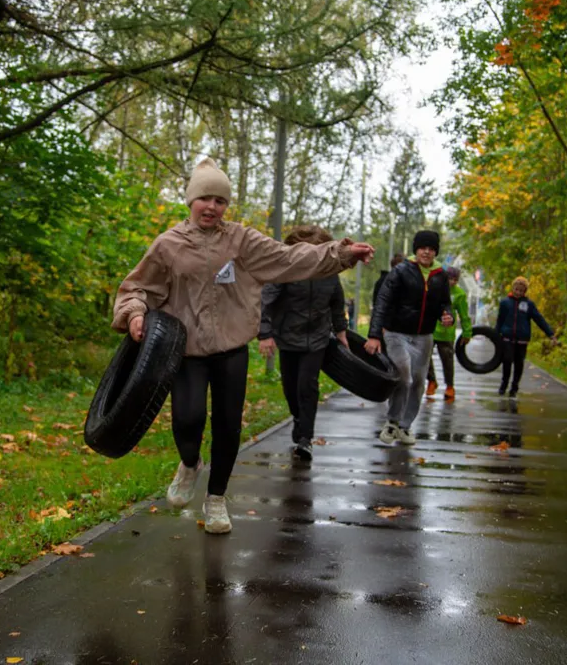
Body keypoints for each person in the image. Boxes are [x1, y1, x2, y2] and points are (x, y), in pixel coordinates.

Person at [112, 158, 374, 534]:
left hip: (232, 349)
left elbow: (290, 259)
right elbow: (136, 287)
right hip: (186, 350)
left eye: (220, 200)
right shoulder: (168, 245)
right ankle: (189, 463)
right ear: (190, 200)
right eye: (205, 198)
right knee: (187, 419)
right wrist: (135, 314)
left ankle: (217, 499)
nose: (212, 207)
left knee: (228, 426)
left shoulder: (241, 241)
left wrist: (341, 254)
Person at [258, 225, 349, 462]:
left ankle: (305, 438)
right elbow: (264, 302)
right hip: (287, 336)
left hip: (317, 337)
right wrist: (265, 334)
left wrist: (341, 331)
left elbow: (337, 303)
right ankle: (299, 420)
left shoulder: (330, 273)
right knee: (290, 388)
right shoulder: (284, 270)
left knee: (307, 386)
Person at [364, 230, 453, 446]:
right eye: (423, 248)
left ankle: (405, 427)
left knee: (419, 382)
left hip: (424, 336)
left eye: (431, 249)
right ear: (416, 249)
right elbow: (382, 302)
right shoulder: (401, 271)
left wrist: (446, 314)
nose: (427, 252)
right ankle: (392, 422)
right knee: (404, 375)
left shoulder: (440, 275)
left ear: (435, 252)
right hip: (396, 333)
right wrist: (374, 335)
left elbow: (444, 301)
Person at [495, 276, 557, 397]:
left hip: (522, 340)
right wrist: (495, 335)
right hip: (507, 338)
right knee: (507, 361)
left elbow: (539, 319)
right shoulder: (505, 302)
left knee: (519, 363)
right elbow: (500, 320)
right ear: (513, 288)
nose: (518, 292)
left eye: (521, 291)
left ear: (525, 291)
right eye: (516, 289)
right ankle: (504, 383)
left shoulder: (528, 305)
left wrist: (550, 334)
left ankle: (514, 387)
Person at [426, 266, 472, 401]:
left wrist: (467, 332)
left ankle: (450, 386)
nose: (452, 282)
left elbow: (464, 315)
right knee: (425, 357)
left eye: (455, 280)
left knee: (447, 360)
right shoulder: (435, 288)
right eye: (450, 279)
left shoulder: (459, 294)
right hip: (431, 330)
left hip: (447, 333)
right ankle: (431, 381)